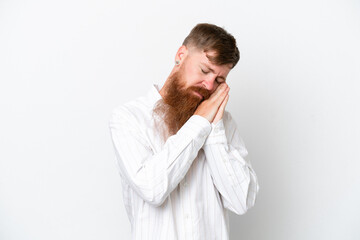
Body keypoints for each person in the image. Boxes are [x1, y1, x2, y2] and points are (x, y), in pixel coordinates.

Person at [109, 23, 259, 240]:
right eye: (205, 70)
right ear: (181, 55)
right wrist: (200, 122)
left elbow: (241, 201)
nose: (209, 85)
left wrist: (214, 129)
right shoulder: (128, 118)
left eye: (219, 80)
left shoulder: (224, 124)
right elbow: (152, 188)